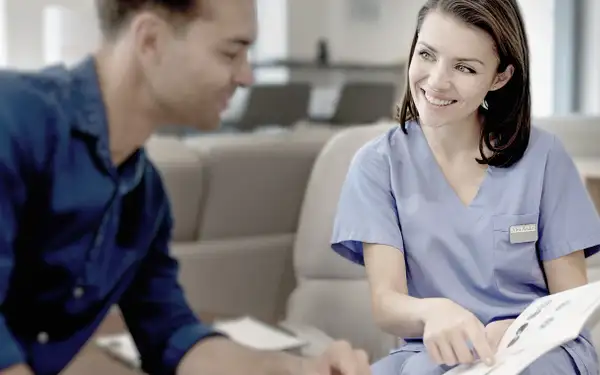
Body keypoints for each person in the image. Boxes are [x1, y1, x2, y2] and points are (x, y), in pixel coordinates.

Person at [0, 0, 372, 374]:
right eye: (231, 53)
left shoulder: (143, 196)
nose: (246, 77)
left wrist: (295, 369)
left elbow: (172, 337)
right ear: (151, 40)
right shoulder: (13, 121)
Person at [330, 0, 600, 374]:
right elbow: (386, 302)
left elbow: (569, 302)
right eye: (427, 54)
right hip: (432, 351)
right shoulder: (378, 165)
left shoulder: (544, 158)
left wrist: (520, 332)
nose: (437, 80)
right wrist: (433, 312)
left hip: (539, 349)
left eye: (464, 67)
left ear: (500, 77)